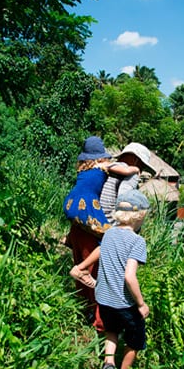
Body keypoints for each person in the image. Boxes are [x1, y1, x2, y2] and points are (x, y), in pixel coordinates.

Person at [63, 136, 139, 329]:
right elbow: (121, 169)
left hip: (72, 204)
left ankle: (69, 240)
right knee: (109, 239)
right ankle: (81, 269)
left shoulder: (83, 170)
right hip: (87, 205)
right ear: (100, 158)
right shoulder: (102, 167)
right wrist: (133, 169)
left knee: (84, 234)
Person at [70, 142, 153, 287]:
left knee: (83, 290)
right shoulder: (131, 173)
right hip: (106, 221)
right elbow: (124, 198)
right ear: (136, 160)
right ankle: (81, 269)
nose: (141, 170)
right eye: (143, 166)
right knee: (106, 251)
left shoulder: (104, 167)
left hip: (86, 218)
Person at [96, 189, 150, 369]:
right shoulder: (137, 241)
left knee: (112, 330)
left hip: (104, 299)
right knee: (135, 339)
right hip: (124, 302)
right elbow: (129, 276)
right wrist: (141, 304)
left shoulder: (109, 233)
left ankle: (108, 363)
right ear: (140, 216)